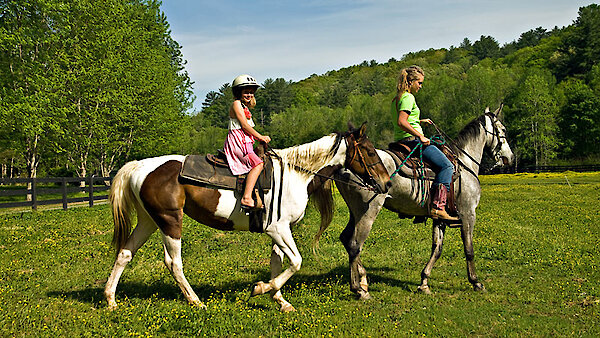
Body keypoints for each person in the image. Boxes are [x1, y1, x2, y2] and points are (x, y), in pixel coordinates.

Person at [391, 65, 458, 221]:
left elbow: (403, 120)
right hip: (412, 141)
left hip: (400, 140)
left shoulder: (397, 98)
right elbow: (402, 121)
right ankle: (438, 207)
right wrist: (420, 136)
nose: (420, 86)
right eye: (419, 83)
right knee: (447, 166)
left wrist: (420, 121)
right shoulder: (409, 97)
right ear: (410, 81)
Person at [224, 74, 271, 210]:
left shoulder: (245, 107)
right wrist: (260, 137)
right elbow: (244, 126)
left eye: (251, 92)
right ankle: (246, 197)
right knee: (258, 164)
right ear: (239, 92)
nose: (249, 94)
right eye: (246, 92)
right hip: (237, 143)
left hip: (246, 143)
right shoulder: (236, 104)